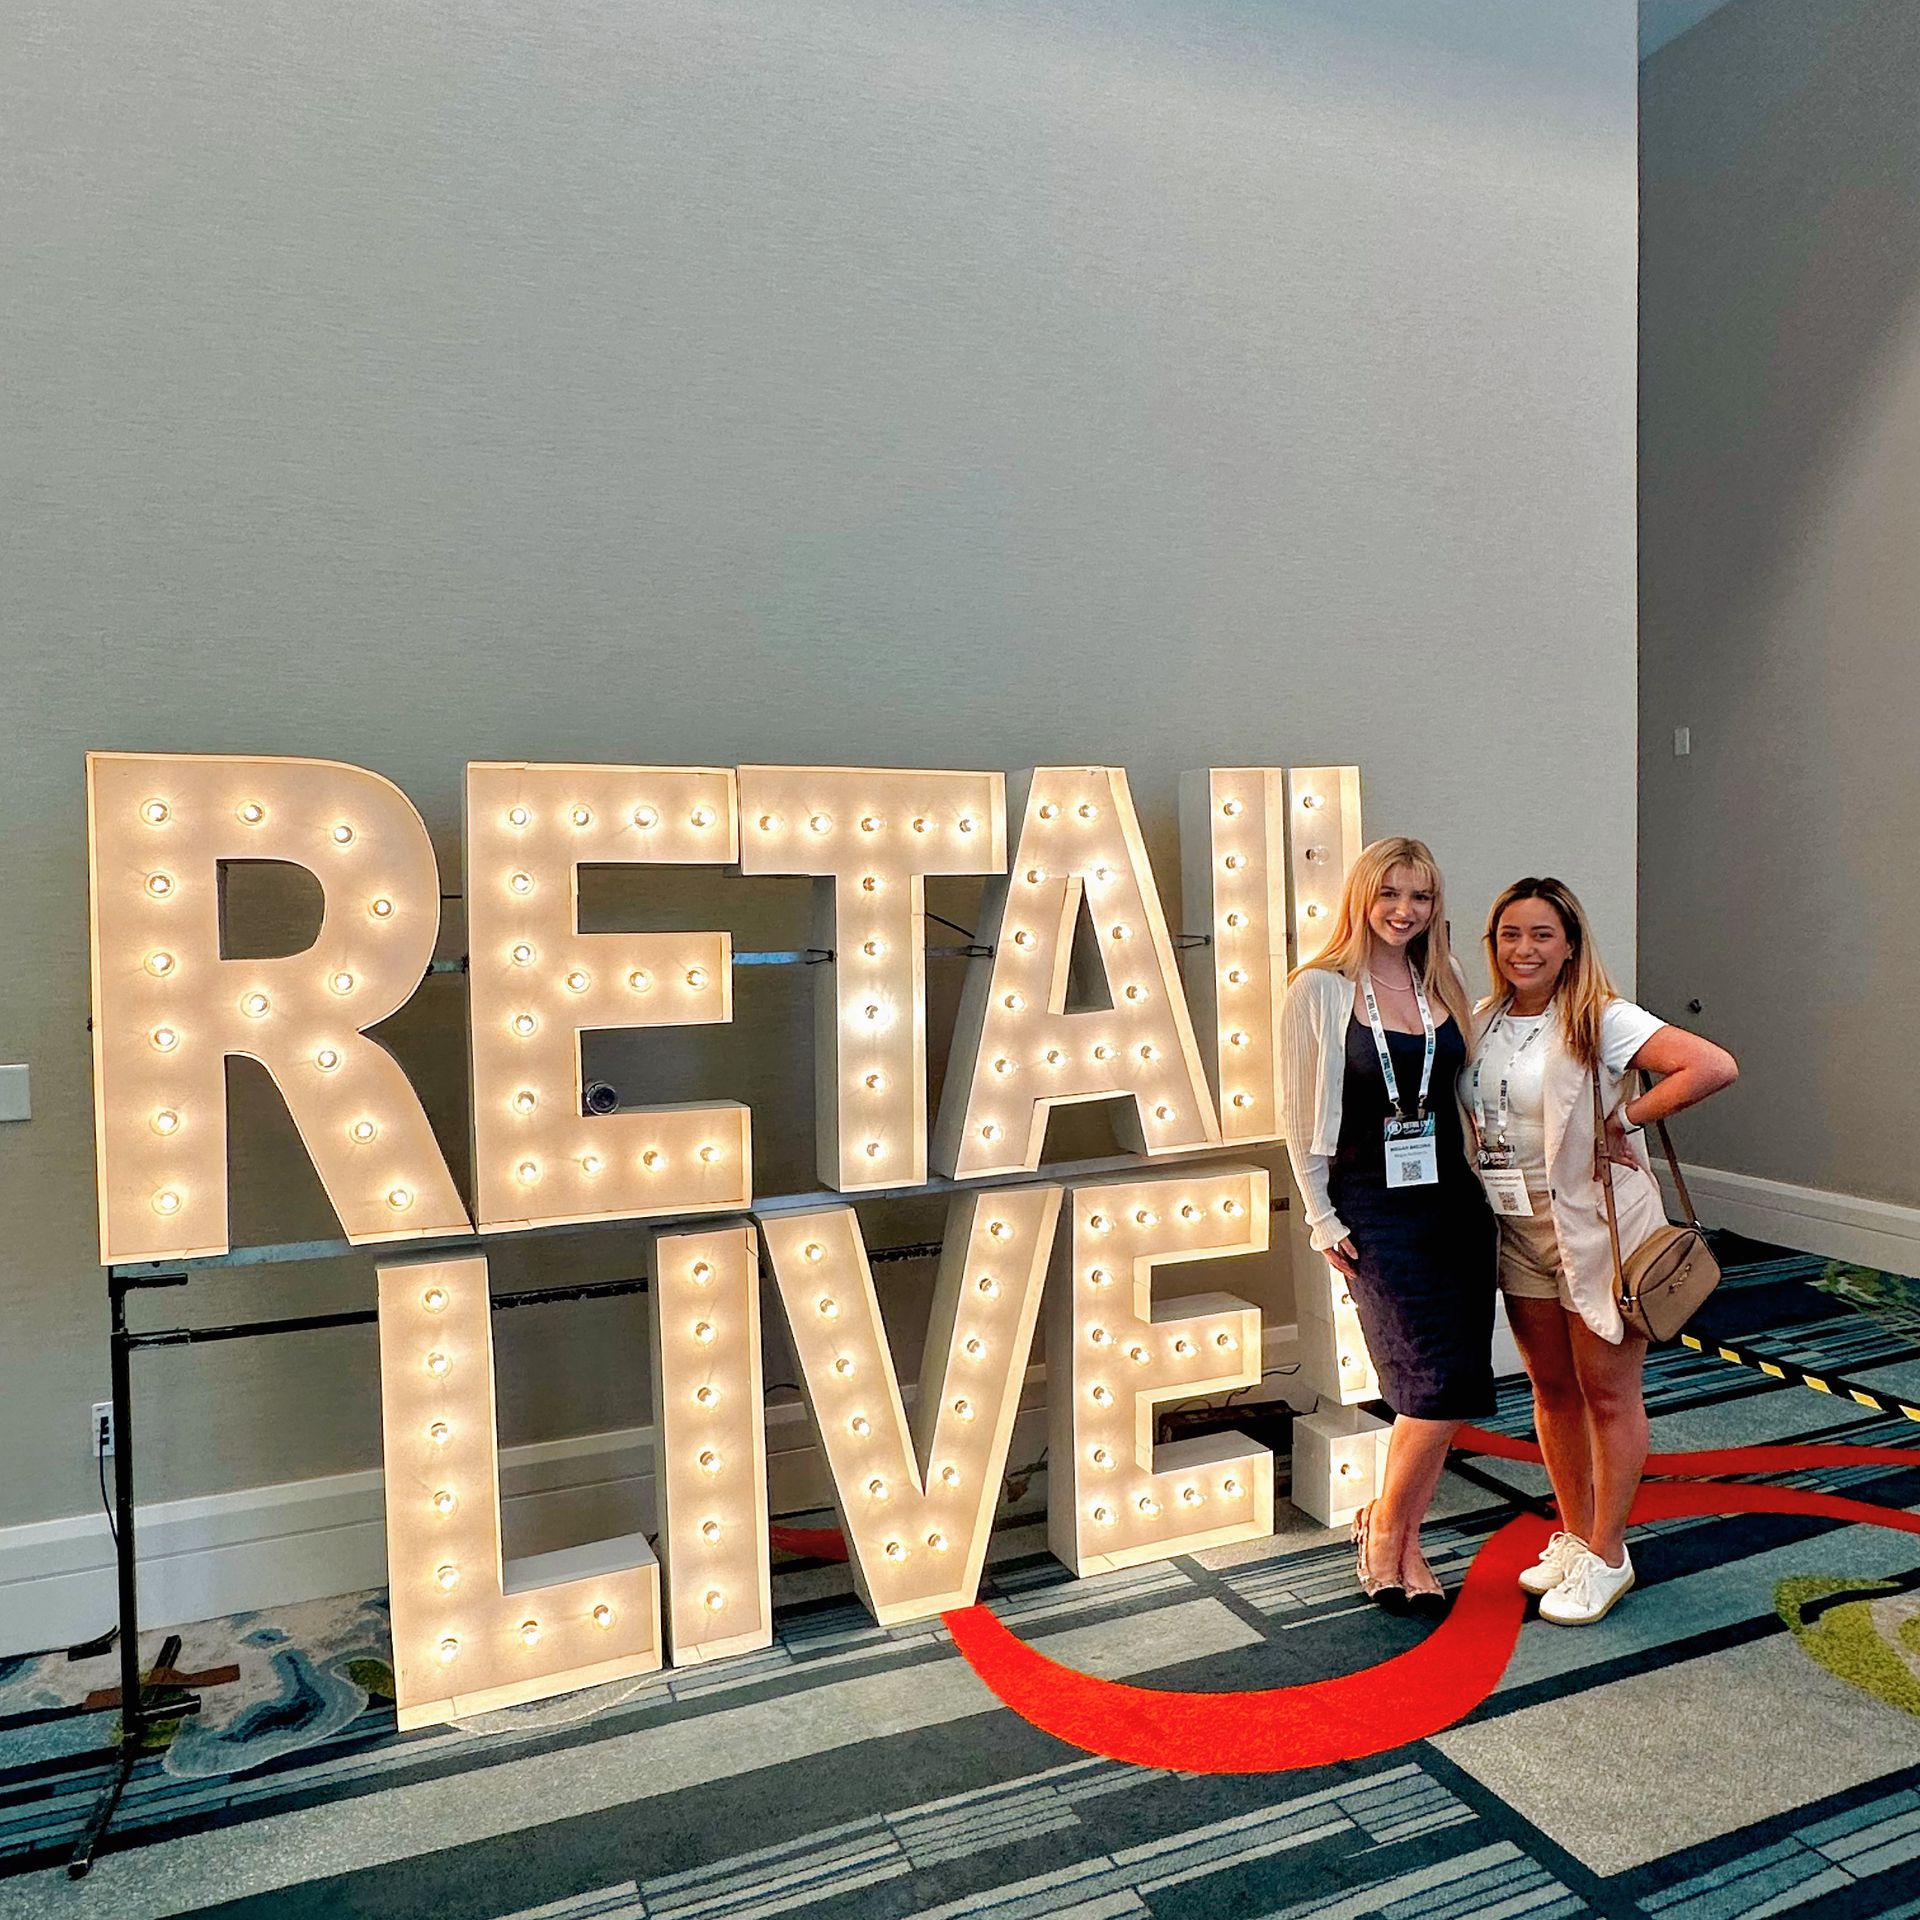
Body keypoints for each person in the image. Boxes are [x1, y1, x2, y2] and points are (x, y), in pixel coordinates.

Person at [1467, 878, 1737, 1625]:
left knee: (1609, 1394)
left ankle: (1610, 1554)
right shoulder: (1484, 1021)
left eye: (1542, 935)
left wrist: (1627, 1118)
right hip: (1518, 1230)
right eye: (1511, 935)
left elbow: (1711, 1065)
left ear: (1571, 944)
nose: (1525, 949)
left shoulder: (1600, 1018)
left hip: (1600, 1231)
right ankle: (1578, 1537)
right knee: (1551, 1392)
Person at [1281, 837, 1495, 1615]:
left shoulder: (1445, 981)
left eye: (1423, 897)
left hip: (1455, 1208)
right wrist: (1320, 1215)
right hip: (1373, 1208)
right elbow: (1298, 1116)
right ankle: (1382, 1534)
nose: (1406, 911)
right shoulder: (1320, 990)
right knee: (1427, 1386)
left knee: (1448, 1387)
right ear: (1362, 898)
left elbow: (1468, 1097)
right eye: (1391, 894)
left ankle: (1402, 1537)